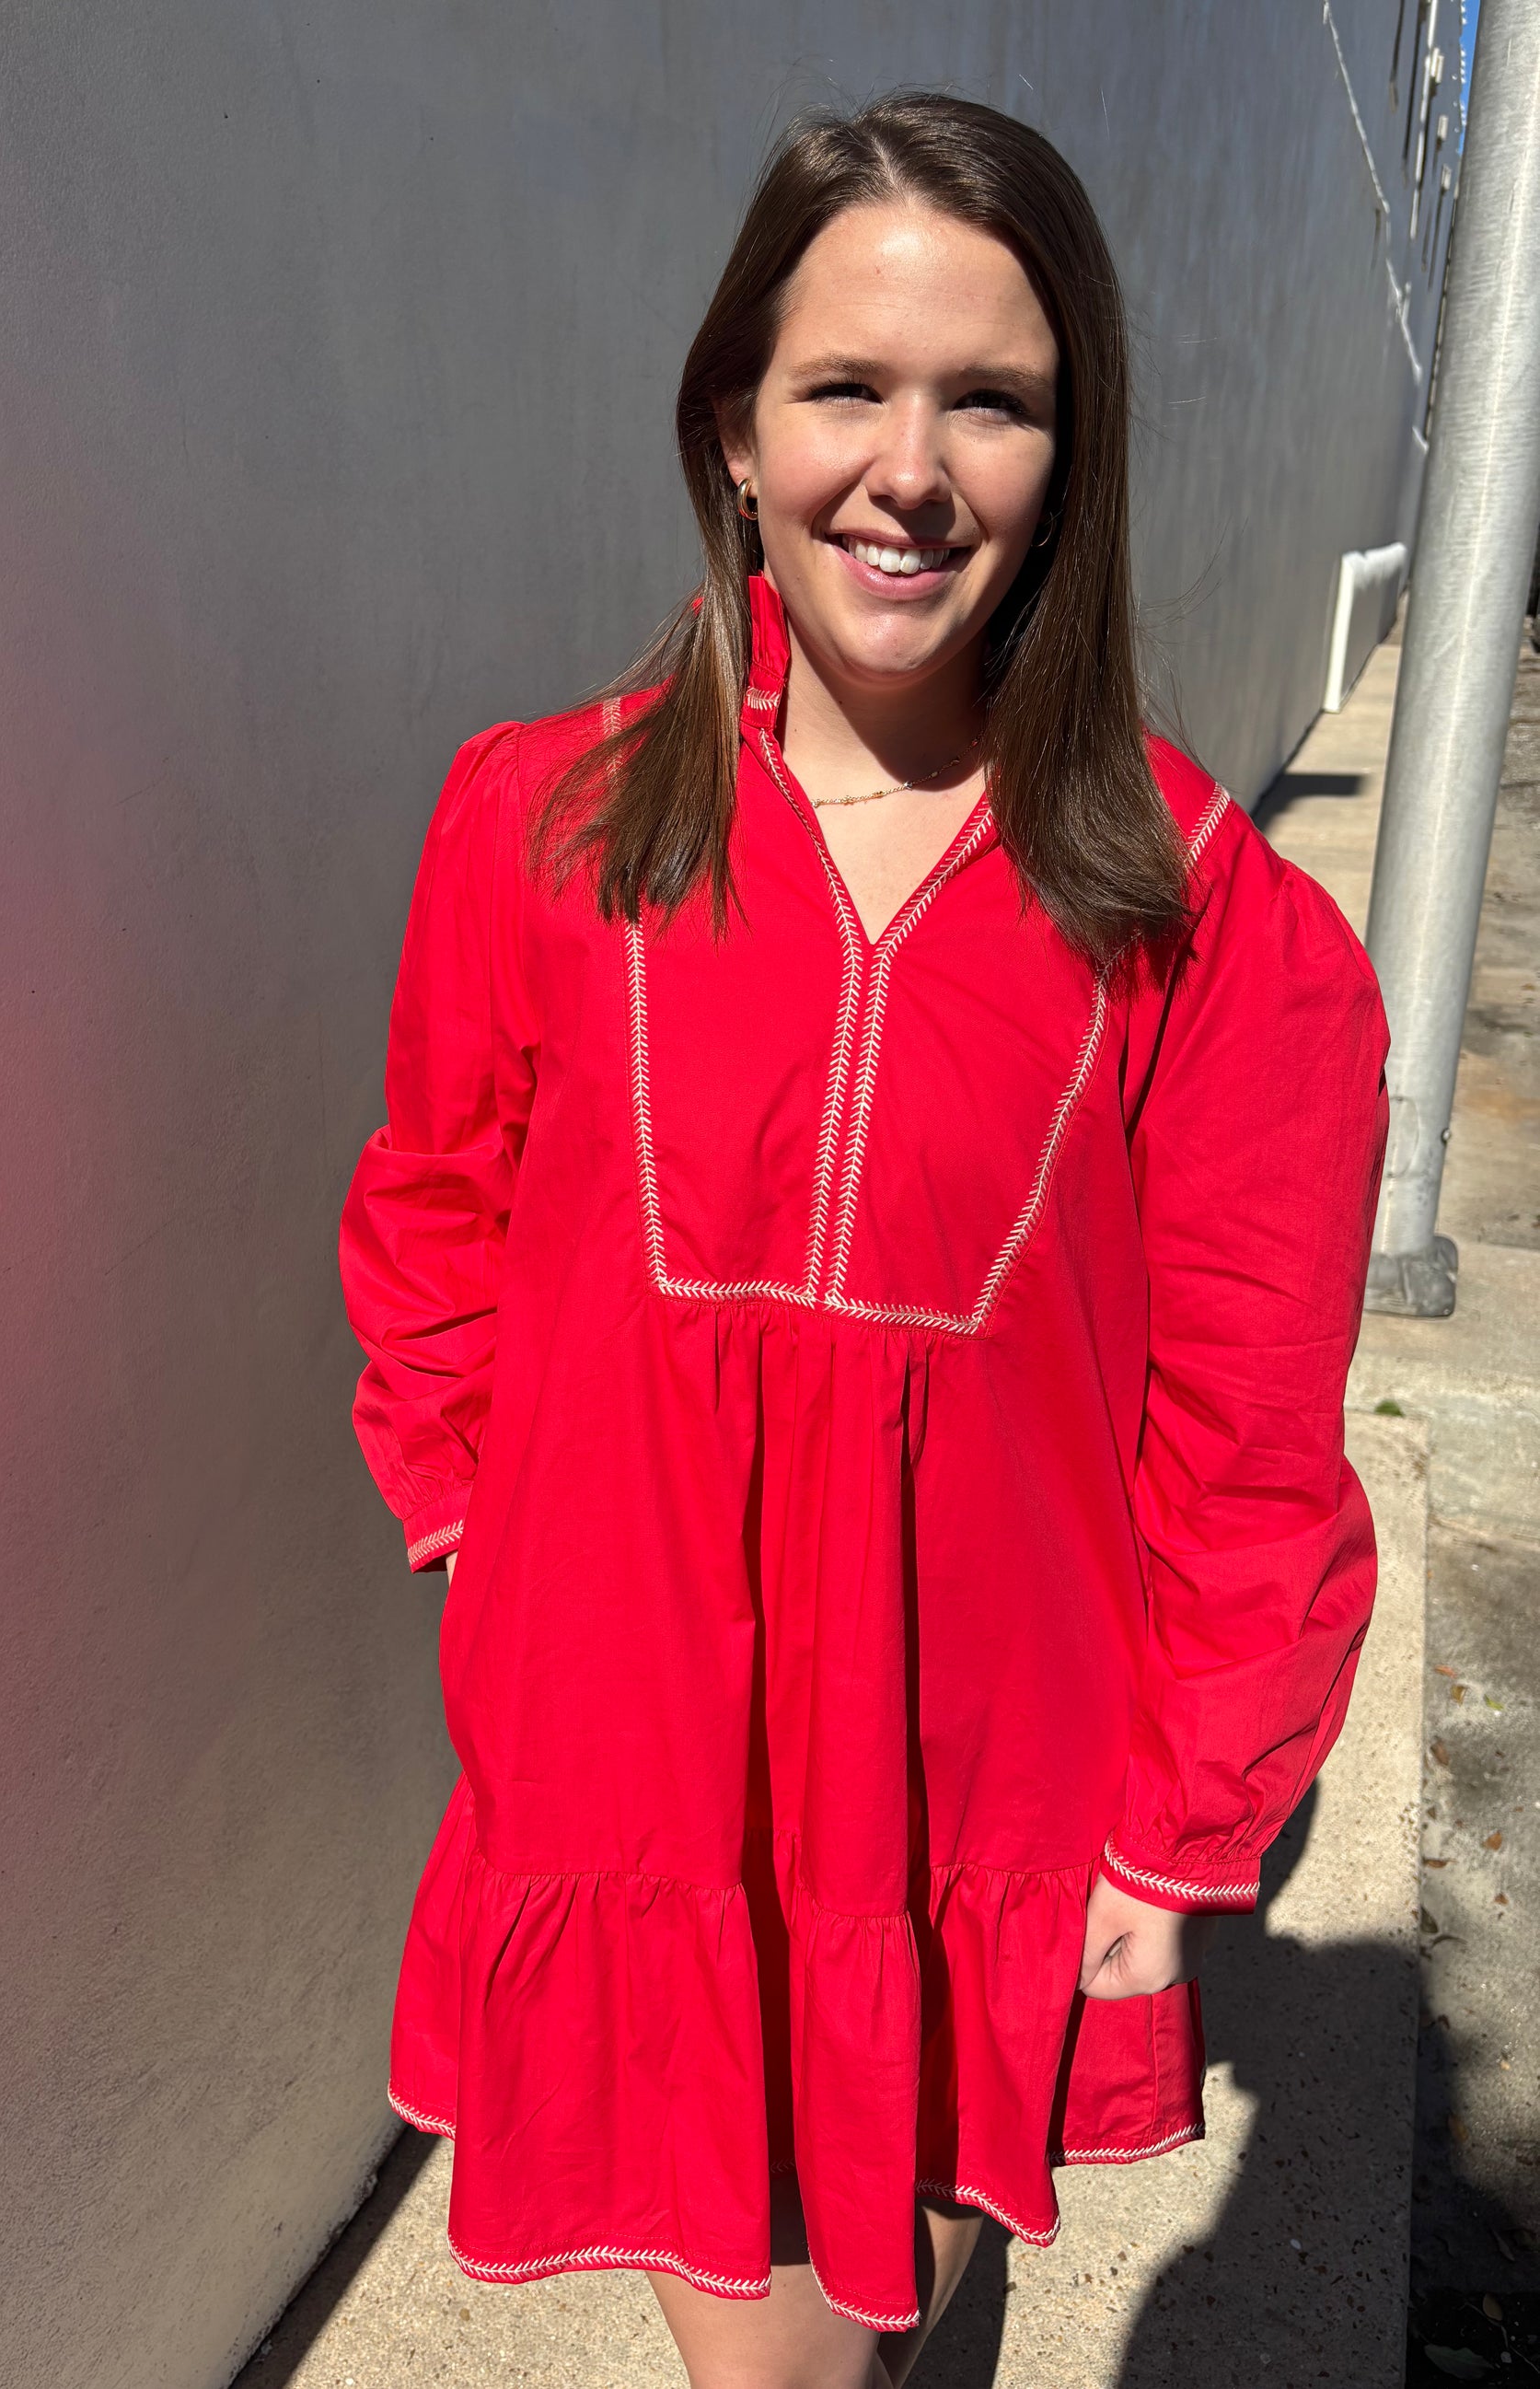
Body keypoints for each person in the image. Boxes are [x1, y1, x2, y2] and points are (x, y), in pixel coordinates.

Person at [338, 90, 1389, 2389]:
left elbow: (1244, 1429)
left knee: (867, 2294)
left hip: (968, 1783)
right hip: (633, 1762)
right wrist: (488, 1530)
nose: (908, 470)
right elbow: (436, 1201)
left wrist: (1174, 1827)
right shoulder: (542, 823)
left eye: (989, 400)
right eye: (844, 387)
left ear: (1068, 458)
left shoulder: (1206, 924)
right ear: (736, 431)